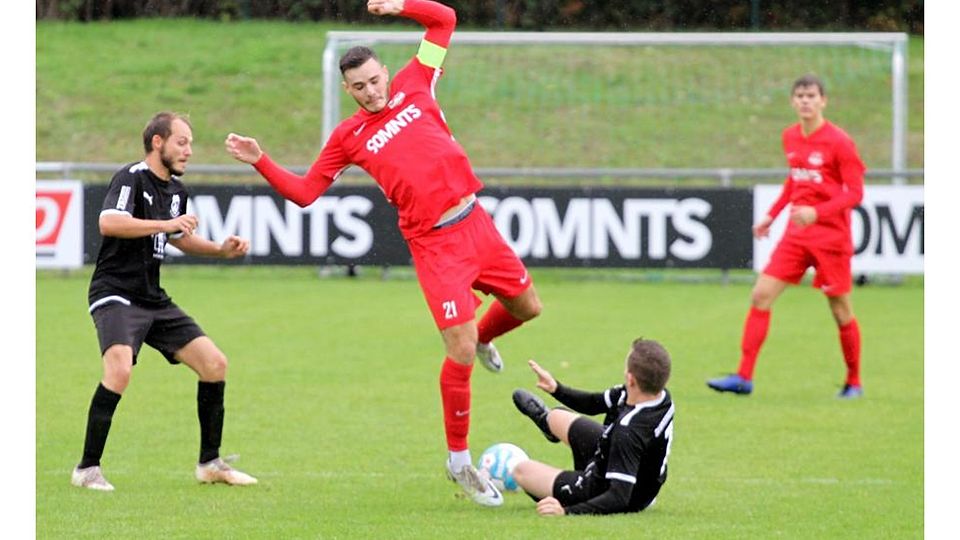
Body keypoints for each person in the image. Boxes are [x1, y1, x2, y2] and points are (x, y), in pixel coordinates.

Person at [224, 0, 541, 506]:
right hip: (434, 245)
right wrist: (261, 160)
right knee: (455, 350)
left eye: (375, 80)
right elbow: (307, 193)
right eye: (360, 86)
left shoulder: (418, 83)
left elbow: (444, 20)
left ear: (386, 73)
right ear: (347, 91)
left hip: (476, 223)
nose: (371, 91)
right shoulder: (348, 137)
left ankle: (483, 337)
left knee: (527, 308)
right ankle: (459, 461)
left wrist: (400, 7)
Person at [72, 112, 257, 491]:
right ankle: (87, 469)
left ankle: (210, 464)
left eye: (189, 143)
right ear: (158, 142)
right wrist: (165, 225)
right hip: (114, 292)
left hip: (152, 298)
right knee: (120, 371)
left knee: (214, 364)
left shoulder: (174, 191)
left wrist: (220, 251)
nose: (188, 150)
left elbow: (180, 239)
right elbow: (110, 221)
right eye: (182, 142)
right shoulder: (132, 177)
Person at [707, 74, 866, 399]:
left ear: (823, 101)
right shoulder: (790, 136)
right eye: (800, 96)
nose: (805, 101)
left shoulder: (839, 142)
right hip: (796, 236)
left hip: (831, 239)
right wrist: (772, 215)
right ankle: (743, 377)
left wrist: (817, 213)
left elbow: (856, 193)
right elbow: (794, 182)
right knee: (760, 295)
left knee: (840, 310)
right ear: (793, 102)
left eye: (811, 96)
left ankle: (854, 382)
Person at [510, 338, 675, 516]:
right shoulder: (659, 396)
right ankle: (547, 425)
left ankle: (563, 492)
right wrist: (556, 388)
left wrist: (566, 511)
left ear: (630, 379)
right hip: (613, 457)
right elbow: (593, 403)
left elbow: (618, 497)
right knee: (556, 416)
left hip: (607, 488)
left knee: (521, 471)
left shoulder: (628, 431)